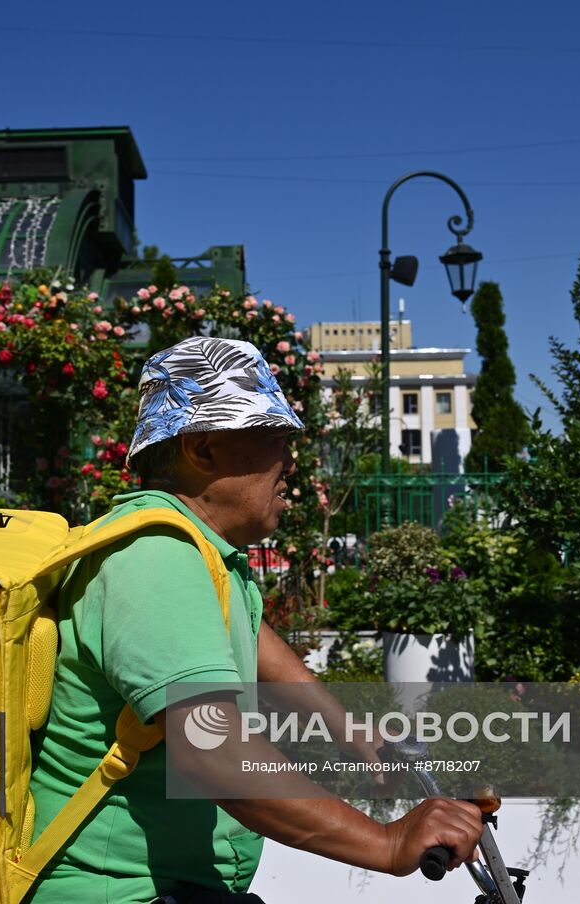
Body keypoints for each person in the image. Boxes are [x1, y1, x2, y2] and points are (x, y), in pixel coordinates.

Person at [27, 336, 483, 904]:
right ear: (203, 450)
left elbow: (252, 638)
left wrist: (351, 734)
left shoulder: (203, 557)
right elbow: (212, 753)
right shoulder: (155, 559)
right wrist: (387, 844)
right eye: (273, 439)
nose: (291, 462)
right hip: (117, 894)